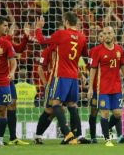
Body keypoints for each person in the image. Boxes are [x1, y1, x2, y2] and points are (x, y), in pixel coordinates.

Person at [35, 11, 88, 144]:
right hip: (73, 77)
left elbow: (41, 40)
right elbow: (86, 55)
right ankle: (78, 135)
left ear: (65, 22)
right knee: (72, 105)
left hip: (61, 76)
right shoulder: (82, 37)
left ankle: (67, 133)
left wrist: (38, 28)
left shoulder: (61, 34)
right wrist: (85, 71)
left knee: (55, 104)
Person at [87, 26, 124, 147]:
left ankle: (105, 129)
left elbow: (123, 67)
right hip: (102, 89)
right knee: (105, 113)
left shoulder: (119, 50)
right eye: (105, 33)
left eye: (109, 33)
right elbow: (93, 69)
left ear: (113, 34)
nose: (107, 35)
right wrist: (91, 87)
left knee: (118, 114)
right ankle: (107, 139)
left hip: (116, 88)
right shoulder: (97, 50)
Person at [0, 16, 30, 145]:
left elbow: (18, 49)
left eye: (8, 26)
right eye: (5, 25)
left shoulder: (7, 41)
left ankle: (13, 137)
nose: (7, 28)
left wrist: (26, 37)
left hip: (8, 79)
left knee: (12, 104)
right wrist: (9, 36)